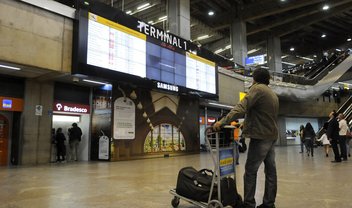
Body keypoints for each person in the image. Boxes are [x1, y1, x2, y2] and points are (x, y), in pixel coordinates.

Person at [213, 67, 279, 208]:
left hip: (260, 137)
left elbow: (241, 108)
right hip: (271, 136)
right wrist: (246, 125)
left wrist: (222, 121)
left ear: (255, 79)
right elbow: (263, 116)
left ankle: (249, 204)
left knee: (250, 171)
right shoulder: (272, 94)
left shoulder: (257, 89)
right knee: (271, 171)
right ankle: (269, 203)